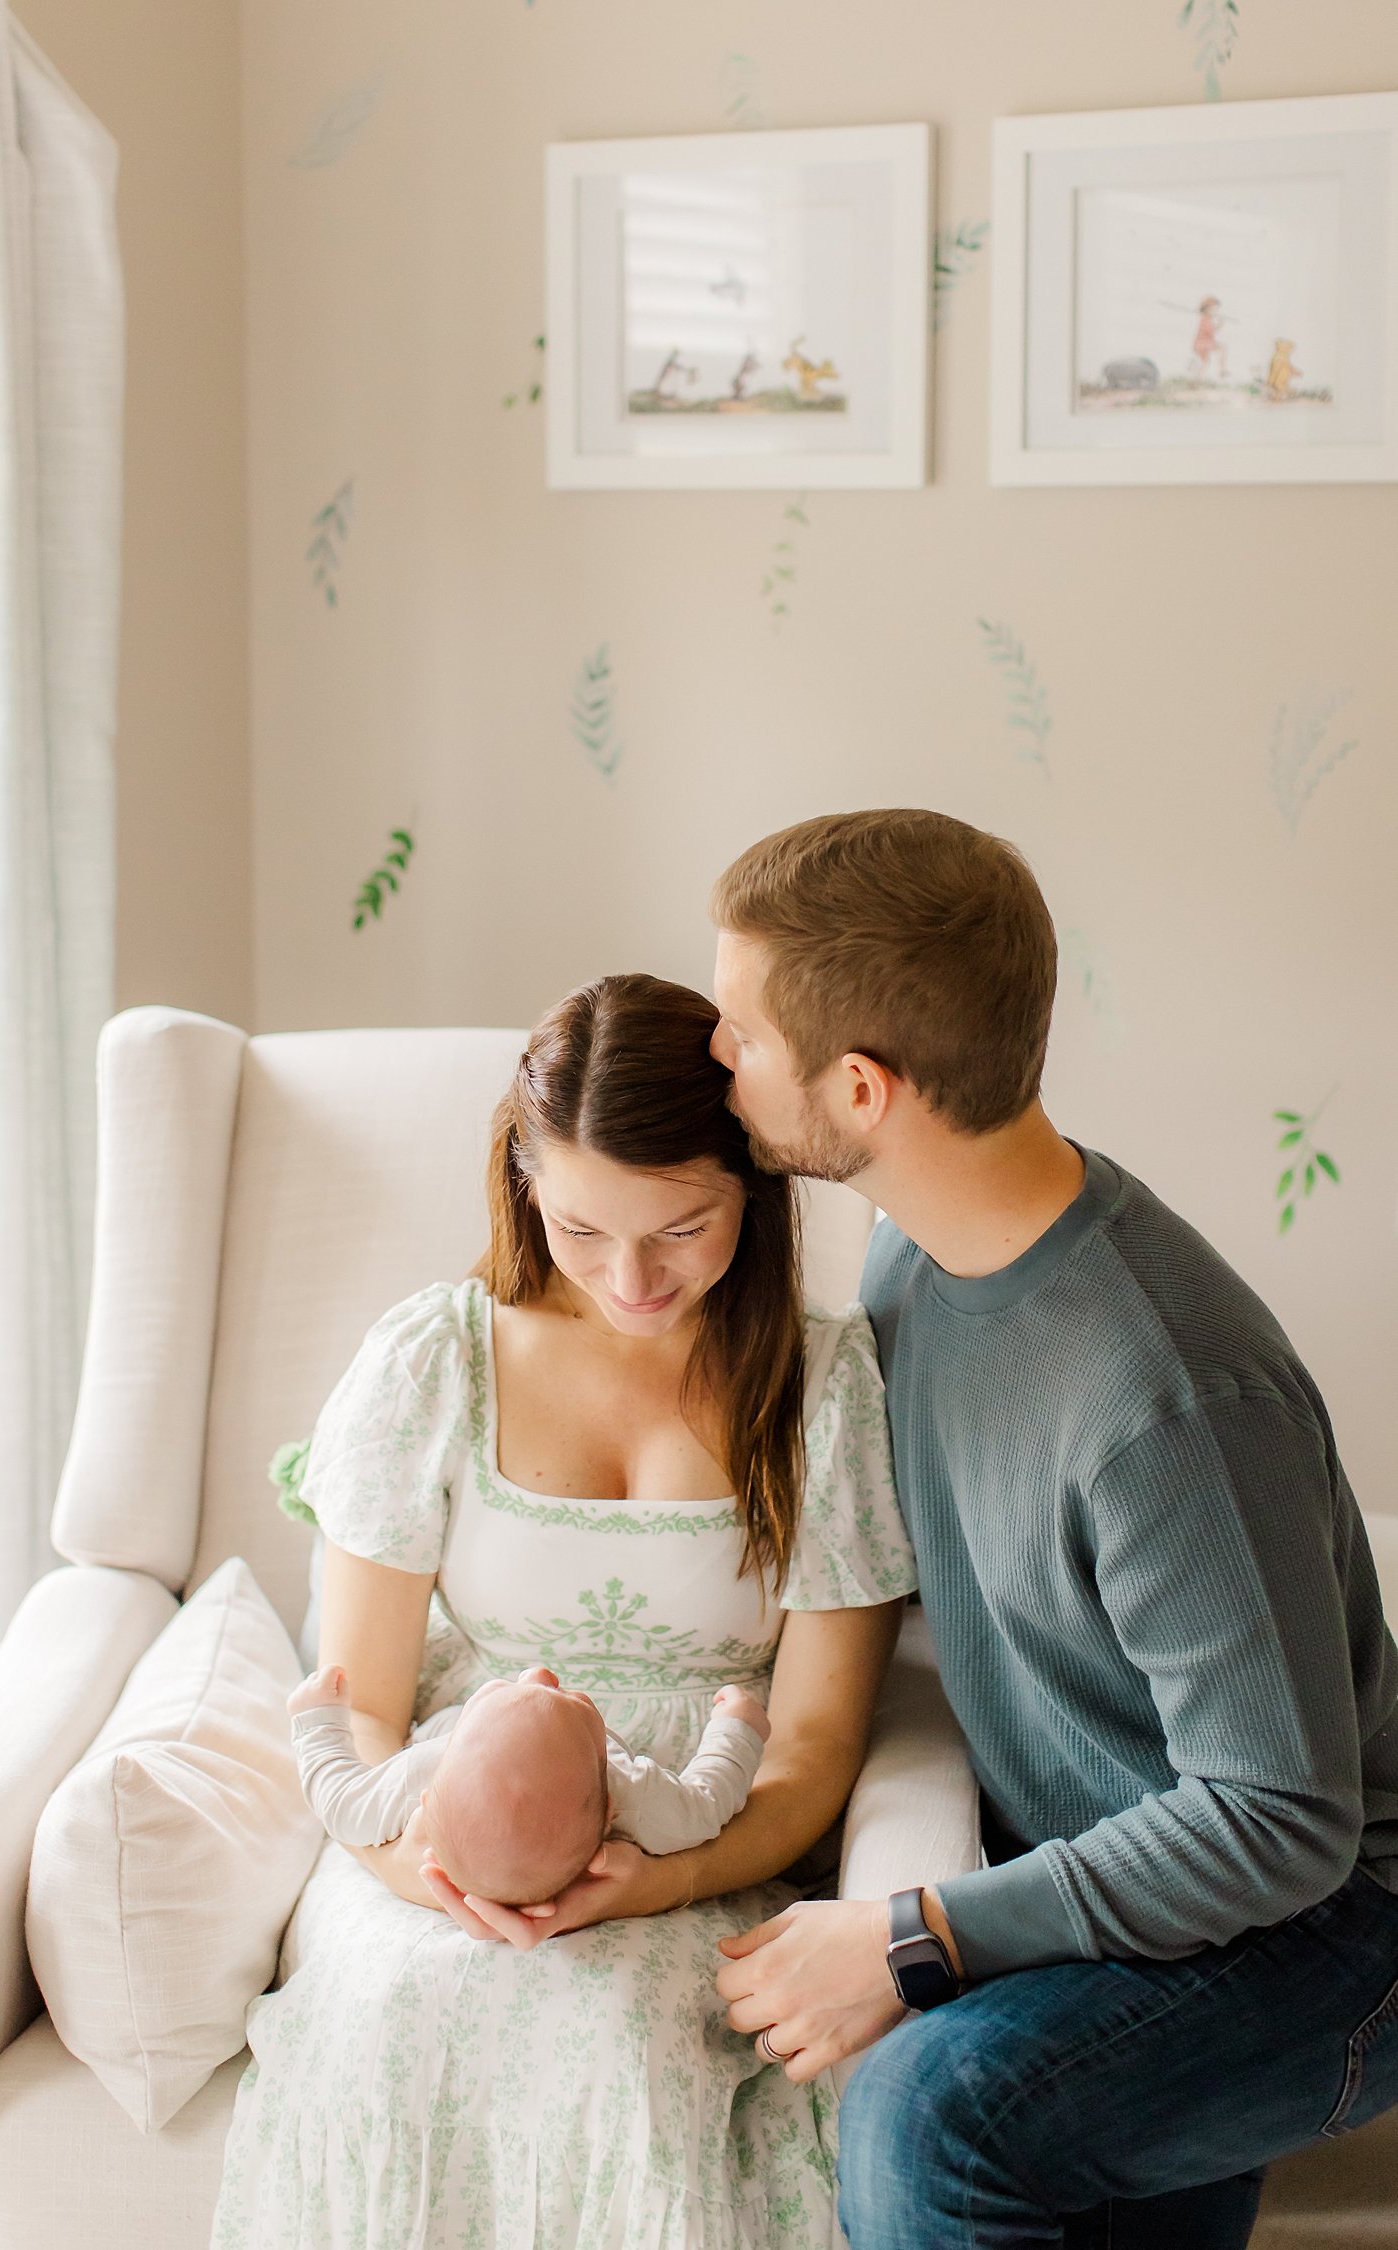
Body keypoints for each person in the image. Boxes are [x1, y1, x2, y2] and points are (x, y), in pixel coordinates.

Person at [707, 809, 1398, 2250]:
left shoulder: (1167, 1394)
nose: (719, 1057)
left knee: (928, 2107)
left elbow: (1280, 1822)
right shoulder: (913, 1257)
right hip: (1137, 1888)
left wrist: (919, 1933)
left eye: (740, 1033)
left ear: (860, 1086)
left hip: (1326, 1932)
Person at [210, 970, 916, 2250]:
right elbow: (357, 1707)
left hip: (704, 1830)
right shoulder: (435, 1362)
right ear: (526, 1186)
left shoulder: (825, 1389)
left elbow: (812, 1751)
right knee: (407, 2018)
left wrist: (660, 1879)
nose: (631, 1278)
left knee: (621, 2046)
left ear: (753, 1188)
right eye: (582, 1230)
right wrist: (444, 1882)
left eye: (680, 1228)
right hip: (435, 1827)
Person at [286, 1657, 772, 1887]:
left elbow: (340, 1800)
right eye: (577, 1703)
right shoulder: (628, 1788)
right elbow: (707, 1803)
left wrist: (315, 1722)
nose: (539, 1672)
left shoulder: (424, 1770)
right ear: (609, 1813)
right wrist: (737, 1731)